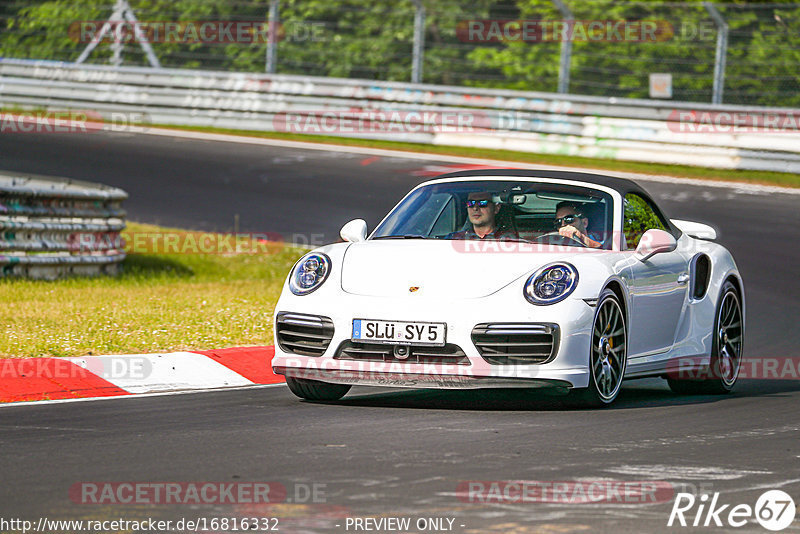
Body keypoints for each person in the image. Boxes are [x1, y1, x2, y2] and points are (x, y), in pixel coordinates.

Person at [446, 191, 516, 240]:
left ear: (496, 208)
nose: (475, 208)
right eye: (471, 203)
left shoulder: (510, 241)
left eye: (482, 203)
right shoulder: (453, 239)